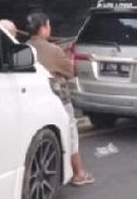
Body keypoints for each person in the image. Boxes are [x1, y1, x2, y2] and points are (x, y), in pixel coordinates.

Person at [25, 12, 95, 187]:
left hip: (31, 100)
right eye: (48, 25)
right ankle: (78, 173)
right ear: (43, 28)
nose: (50, 28)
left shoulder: (24, 48)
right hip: (57, 99)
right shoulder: (53, 50)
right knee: (71, 134)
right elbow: (71, 72)